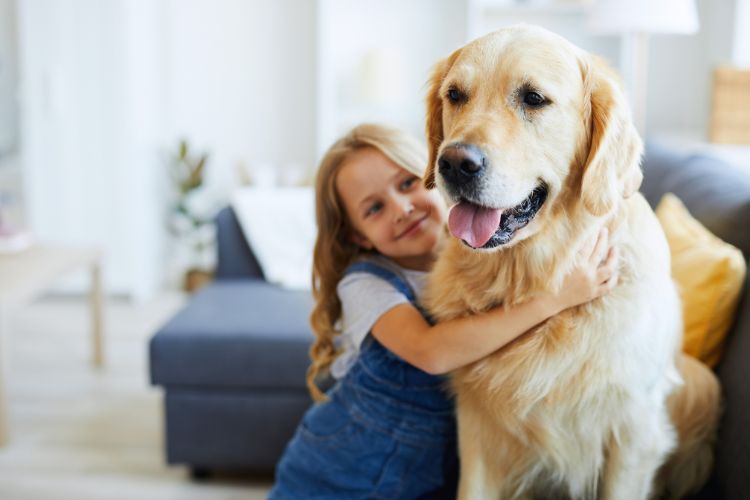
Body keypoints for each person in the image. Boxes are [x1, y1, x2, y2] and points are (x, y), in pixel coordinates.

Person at [268, 123, 618, 499]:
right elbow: (430, 352)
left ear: (434, 175)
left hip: (428, 480)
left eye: (406, 183)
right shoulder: (365, 283)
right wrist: (554, 298)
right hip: (339, 477)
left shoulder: (480, 246)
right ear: (359, 237)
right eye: (374, 208)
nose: (401, 208)